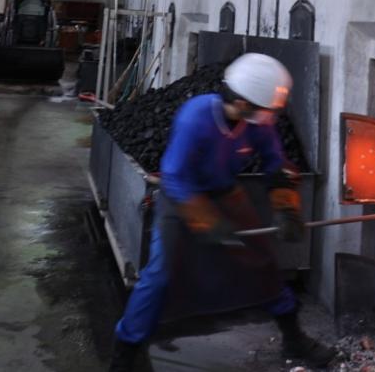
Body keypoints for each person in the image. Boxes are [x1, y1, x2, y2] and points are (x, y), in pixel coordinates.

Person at [109, 53, 336, 371]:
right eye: (266, 109)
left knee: (263, 265)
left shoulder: (257, 122)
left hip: (226, 194)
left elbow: (276, 165)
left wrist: (286, 207)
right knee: (160, 276)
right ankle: (125, 353)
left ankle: (294, 338)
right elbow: (175, 176)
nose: (271, 117)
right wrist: (208, 223)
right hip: (182, 198)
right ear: (242, 103)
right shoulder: (196, 117)